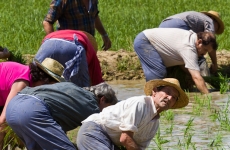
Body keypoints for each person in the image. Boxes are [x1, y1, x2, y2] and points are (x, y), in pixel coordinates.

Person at [76, 78, 189, 150]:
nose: (169, 98)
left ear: (173, 104)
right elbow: (125, 138)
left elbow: (136, 147)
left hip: (109, 140)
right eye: (167, 92)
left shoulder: (154, 124)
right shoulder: (140, 104)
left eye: (174, 97)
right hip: (94, 131)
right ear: (154, 91)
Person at [6, 82, 118, 150]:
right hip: (32, 109)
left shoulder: (74, 88)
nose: (106, 112)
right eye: (108, 107)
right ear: (102, 99)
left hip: (13, 107)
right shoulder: (91, 105)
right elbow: (106, 131)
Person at [0, 58, 64, 148]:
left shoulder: (30, 80)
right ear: (45, 80)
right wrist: (23, 143)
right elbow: (3, 121)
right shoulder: (23, 82)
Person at [134, 28, 218, 94]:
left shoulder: (192, 38)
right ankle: (151, 97)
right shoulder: (188, 47)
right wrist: (208, 97)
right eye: (205, 50)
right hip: (144, 41)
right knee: (159, 72)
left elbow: (188, 68)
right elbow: (196, 77)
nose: (204, 54)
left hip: (147, 39)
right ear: (199, 42)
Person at [159, 10, 224, 75]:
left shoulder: (198, 21)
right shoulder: (210, 21)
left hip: (163, 26)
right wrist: (215, 64)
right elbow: (210, 43)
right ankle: (204, 77)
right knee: (198, 53)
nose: (214, 32)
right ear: (214, 20)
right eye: (217, 28)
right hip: (179, 25)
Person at [35, 29, 104, 87]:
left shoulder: (55, 34)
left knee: (35, 75)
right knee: (81, 89)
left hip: (48, 44)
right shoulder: (90, 49)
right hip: (73, 47)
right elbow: (97, 81)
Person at [43, 0, 111, 50]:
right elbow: (47, 22)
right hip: (68, 48)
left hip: (88, 47)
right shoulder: (64, 1)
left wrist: (104, 35)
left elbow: (94, 15)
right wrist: (54, 44)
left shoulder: (93, 1)